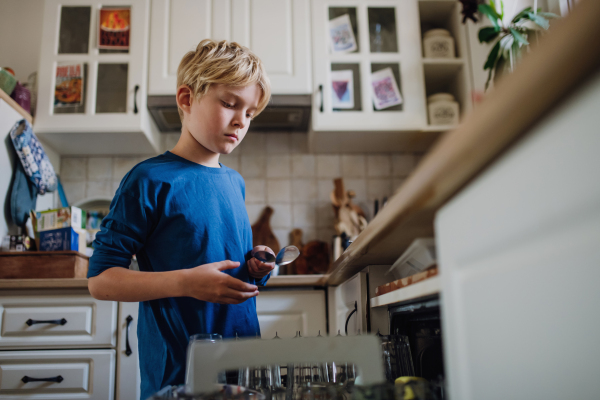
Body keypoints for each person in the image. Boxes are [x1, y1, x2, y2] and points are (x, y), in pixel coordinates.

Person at [87, 39, 274, 399]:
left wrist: (253, 268)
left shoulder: (235, 183)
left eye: (250, 113)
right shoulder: (149, 180)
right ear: (186, 99)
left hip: (243, 368)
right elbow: (100, 280)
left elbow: (222, 267)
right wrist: (186, 282)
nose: (241, 120)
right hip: (178, 374)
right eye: (230, 104)